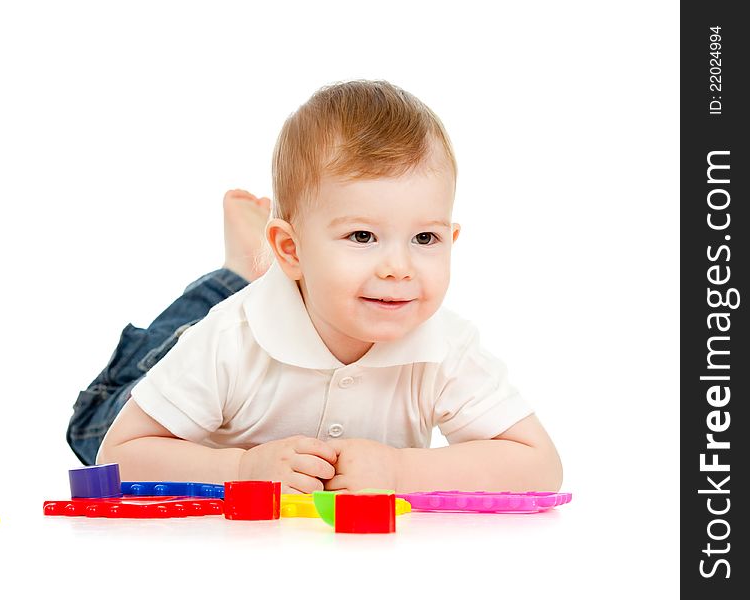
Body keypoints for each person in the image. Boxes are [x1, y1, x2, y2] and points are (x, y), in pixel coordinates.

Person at [69, 79, 563, 494]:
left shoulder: (446, 346)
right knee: (95, 423)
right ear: (292, 249)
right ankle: (241, 270)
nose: (400, 268)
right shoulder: (229, 339)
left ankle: (255, 264)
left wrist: (402, 471)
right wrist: (242, 471)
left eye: (425, 237)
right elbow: (116, 458)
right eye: (363, 235)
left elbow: (540, 467)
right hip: (159, 408)